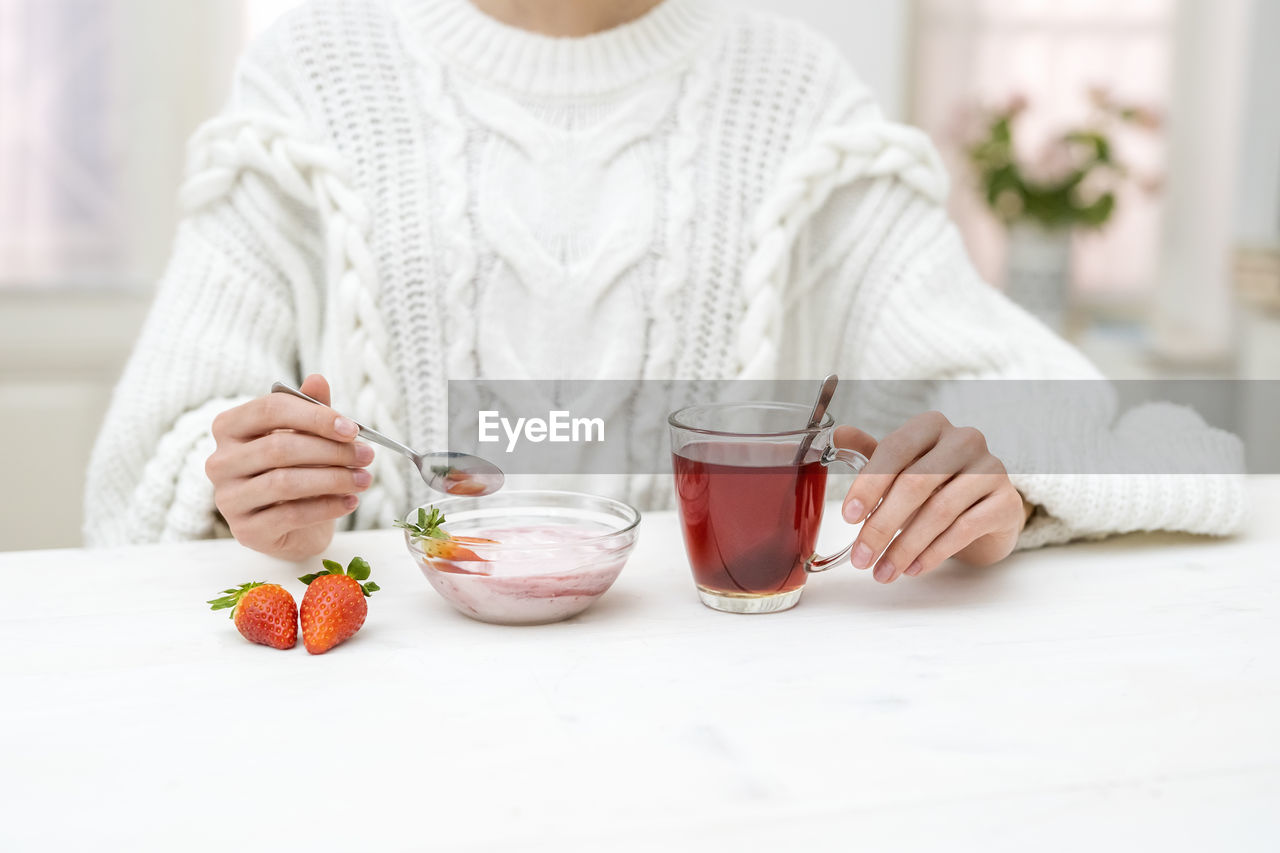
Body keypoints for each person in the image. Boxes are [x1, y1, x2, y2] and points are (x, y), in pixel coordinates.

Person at [85, 0, 1244, 581]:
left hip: (736, 757)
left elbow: (1150, 446)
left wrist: (1005, 481)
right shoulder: (308, 71)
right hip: (373, 743)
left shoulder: (793, 94)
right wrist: (237, 482)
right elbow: (135, 472)